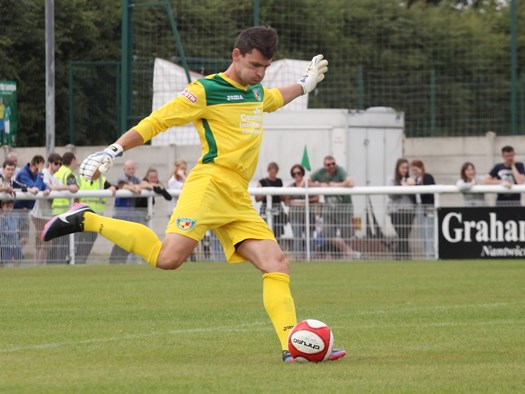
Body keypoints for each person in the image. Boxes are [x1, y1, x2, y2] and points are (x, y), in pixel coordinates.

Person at [42, 26, 344, 362]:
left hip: (237, 197)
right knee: (167, 259)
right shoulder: (205, 90)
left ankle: (293, 346)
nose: (260, 74)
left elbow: (275, 98)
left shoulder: (256, 91)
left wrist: (305, 85)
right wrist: (113, 150)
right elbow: (158, 121)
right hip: (209, 186)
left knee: (276, 264)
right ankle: (87, 219)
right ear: (236, 56)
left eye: (265, 68)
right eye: (255, 65)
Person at [30, 153, 78, 264]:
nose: (58, 166)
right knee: (44, 241)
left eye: (60, 164)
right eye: (56, 163)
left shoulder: (54, 176)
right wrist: (68, 187)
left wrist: (70, 188)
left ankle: (38, 265)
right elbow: (49, 187)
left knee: (43, 242)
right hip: (39, 213)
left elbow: (59, 186)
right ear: (50, 163)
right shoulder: (45, 173)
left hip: (45, 213)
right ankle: (37, 265)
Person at [311, 155, 360, 259]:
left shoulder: (340, 170)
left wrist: (336, 185)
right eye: (328, 164)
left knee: (346, 236)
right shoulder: (320, 173)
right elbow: (306, 182)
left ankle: (346, 256)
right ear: (324, 165)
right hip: (329, 211)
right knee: (328, 234)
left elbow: (351, 182)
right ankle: (350, 253)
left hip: (345, 210)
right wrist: (320, 185)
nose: (332, 166)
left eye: (333, 163)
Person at [109, 159, 151, 263]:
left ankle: (120, 261)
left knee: (127, 240)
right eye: (129, 169)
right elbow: (124, 185)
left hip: (130, 216)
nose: (131, 170)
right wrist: (134, 187)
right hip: (120, 215)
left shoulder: (136, 179)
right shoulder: (121, 178)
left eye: (132, 168)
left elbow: (147, 186)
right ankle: (114, 260)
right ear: (124, 169)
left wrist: (137, 186)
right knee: (120, 239)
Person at [76, 170, 117, 264]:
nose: (100, 172)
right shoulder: (81, 179)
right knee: (79, 241)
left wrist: (113, 188)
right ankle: (76, 260)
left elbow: (112, 187)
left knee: (88, 242)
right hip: (82, 216)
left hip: (95, 219)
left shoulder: (102, 180)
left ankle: (81, 261)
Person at [283, 164, 319, 260]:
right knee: (297, 237)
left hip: (309, 215)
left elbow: (317, 197)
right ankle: (298, 258)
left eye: (298, 173)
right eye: (294, 173)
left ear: (302, 173)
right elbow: (286, 200)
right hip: (295, 215)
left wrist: (306, 201)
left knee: (309, 236)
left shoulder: (308, 185)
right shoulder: (290, 187)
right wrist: (294, 202)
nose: (296, 175)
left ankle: (310, 257)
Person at [15, 155, 50, 248]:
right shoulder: (23, 174)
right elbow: (36, 188)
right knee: (13, 237)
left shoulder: (35, 174)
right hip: (16, 211)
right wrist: (40, 173)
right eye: (37, 169)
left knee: (24, 239)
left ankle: (15, 254)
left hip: (26, 210)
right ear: (32, 165)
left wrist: (47, 189)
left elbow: (43, 185)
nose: (38, 172)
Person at [387, 159, 416, 260]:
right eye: (403, 168)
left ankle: (400, 257)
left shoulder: (410, 179)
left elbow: (415, 196)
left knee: (405, 235)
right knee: (402, 234)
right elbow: (391, 195)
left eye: (406, 168)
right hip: (396, 211)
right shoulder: (392, 179)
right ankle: (405, 256)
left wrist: (413, 186)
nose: (404, 170)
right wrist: (403, 186)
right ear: (398, 168)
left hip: (409, 210)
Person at [410, 159, 436, 259]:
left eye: (416, 170)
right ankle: (426, 253)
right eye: (413, 171)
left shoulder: (428, 177)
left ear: (421, 168)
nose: (415, 172)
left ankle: (431, 254)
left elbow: (428, 191)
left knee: (430, 231)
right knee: (422, 232)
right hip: (419, 207)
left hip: (428, 207)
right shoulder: (415, 179)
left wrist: (416, 185)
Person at [256, 162, 286, 241]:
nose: (273, 173)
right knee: (266, 230)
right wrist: (266, 193)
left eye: (274, 171)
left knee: (278, 230)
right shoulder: (262, 182)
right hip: (266, 209)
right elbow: (257, 198)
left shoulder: (279, 181)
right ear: (268, 170)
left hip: (278, 210)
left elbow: (282, 197)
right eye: (271, 171)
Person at [0, 198, 24, 265]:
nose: (9, 209)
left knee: (19, 258)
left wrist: (23, 213)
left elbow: (19, 225)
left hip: (15, 243)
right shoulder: (2, 218)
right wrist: (14, 232)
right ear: (3, 206)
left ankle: (16, 272)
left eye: (11, 207)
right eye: (7, 207)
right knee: (6, 261)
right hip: (6, 244)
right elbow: (3, 231)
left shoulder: (14, 217)